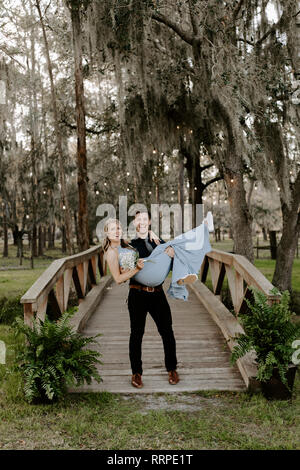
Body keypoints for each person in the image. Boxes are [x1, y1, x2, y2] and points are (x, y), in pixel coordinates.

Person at [102, 210, 214, 389]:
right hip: (137, 294)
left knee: (167, 331)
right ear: (134, 223)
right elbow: (122, 273)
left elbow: (165, 262)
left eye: (145, 219)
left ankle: (172, 369)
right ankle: (136, 373)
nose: (142, 222)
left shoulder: (158, 242)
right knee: (136, 334)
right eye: (138, 219)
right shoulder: (129, 245)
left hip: (157, 294)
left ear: (150, 222)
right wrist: (136, 267)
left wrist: (170, 252)